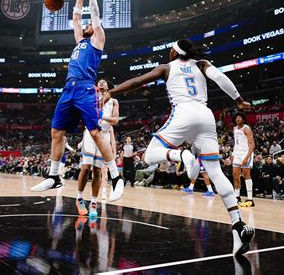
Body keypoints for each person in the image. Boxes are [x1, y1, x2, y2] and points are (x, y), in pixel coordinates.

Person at [102, 39, 254, 255]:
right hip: (205, 115)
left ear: (175, 52)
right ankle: (238, 225)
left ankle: (181, 154)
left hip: (183, 112)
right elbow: (220, 78)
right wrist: (238, 100)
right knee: (216, 172)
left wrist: (113, 91)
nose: (168, 51)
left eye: (170, 49)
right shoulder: (202, 63)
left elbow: (138, 81)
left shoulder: (167, 67)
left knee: (150, 155)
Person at [31, 0, 124, 202]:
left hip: (84, 87)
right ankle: (54, 175)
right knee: (56, 132)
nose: (87, 24)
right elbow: (75, 19)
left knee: (94, 132)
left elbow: (95, 15)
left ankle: (116, 177)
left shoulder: (97, 39)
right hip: (68, 88)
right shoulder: (80, 41)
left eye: (90, 23)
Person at [76, 79, 119, 218]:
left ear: (109, 86)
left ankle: (94, 202)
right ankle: (79, 198)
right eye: (99, 82)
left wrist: (102, 116)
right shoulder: (92, 98)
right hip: (91, 132)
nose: (101, 83)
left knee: (98, 171)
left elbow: (115, 120)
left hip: (104, 135)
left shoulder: (113, 101)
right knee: (86, 167)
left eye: (104, 82)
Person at [231, 112, 255, 207]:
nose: (238, 119)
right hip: (237, 153)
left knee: (246, 175)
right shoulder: (234, 129)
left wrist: (247, 157)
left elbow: (252, 145)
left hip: (246, 153)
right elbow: (236, 143)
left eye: (240, 118)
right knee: (235, 175)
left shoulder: (246, 128)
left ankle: (250, 199)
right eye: (236, 118)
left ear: (243, 119)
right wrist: (233, 154)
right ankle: (237, 197)